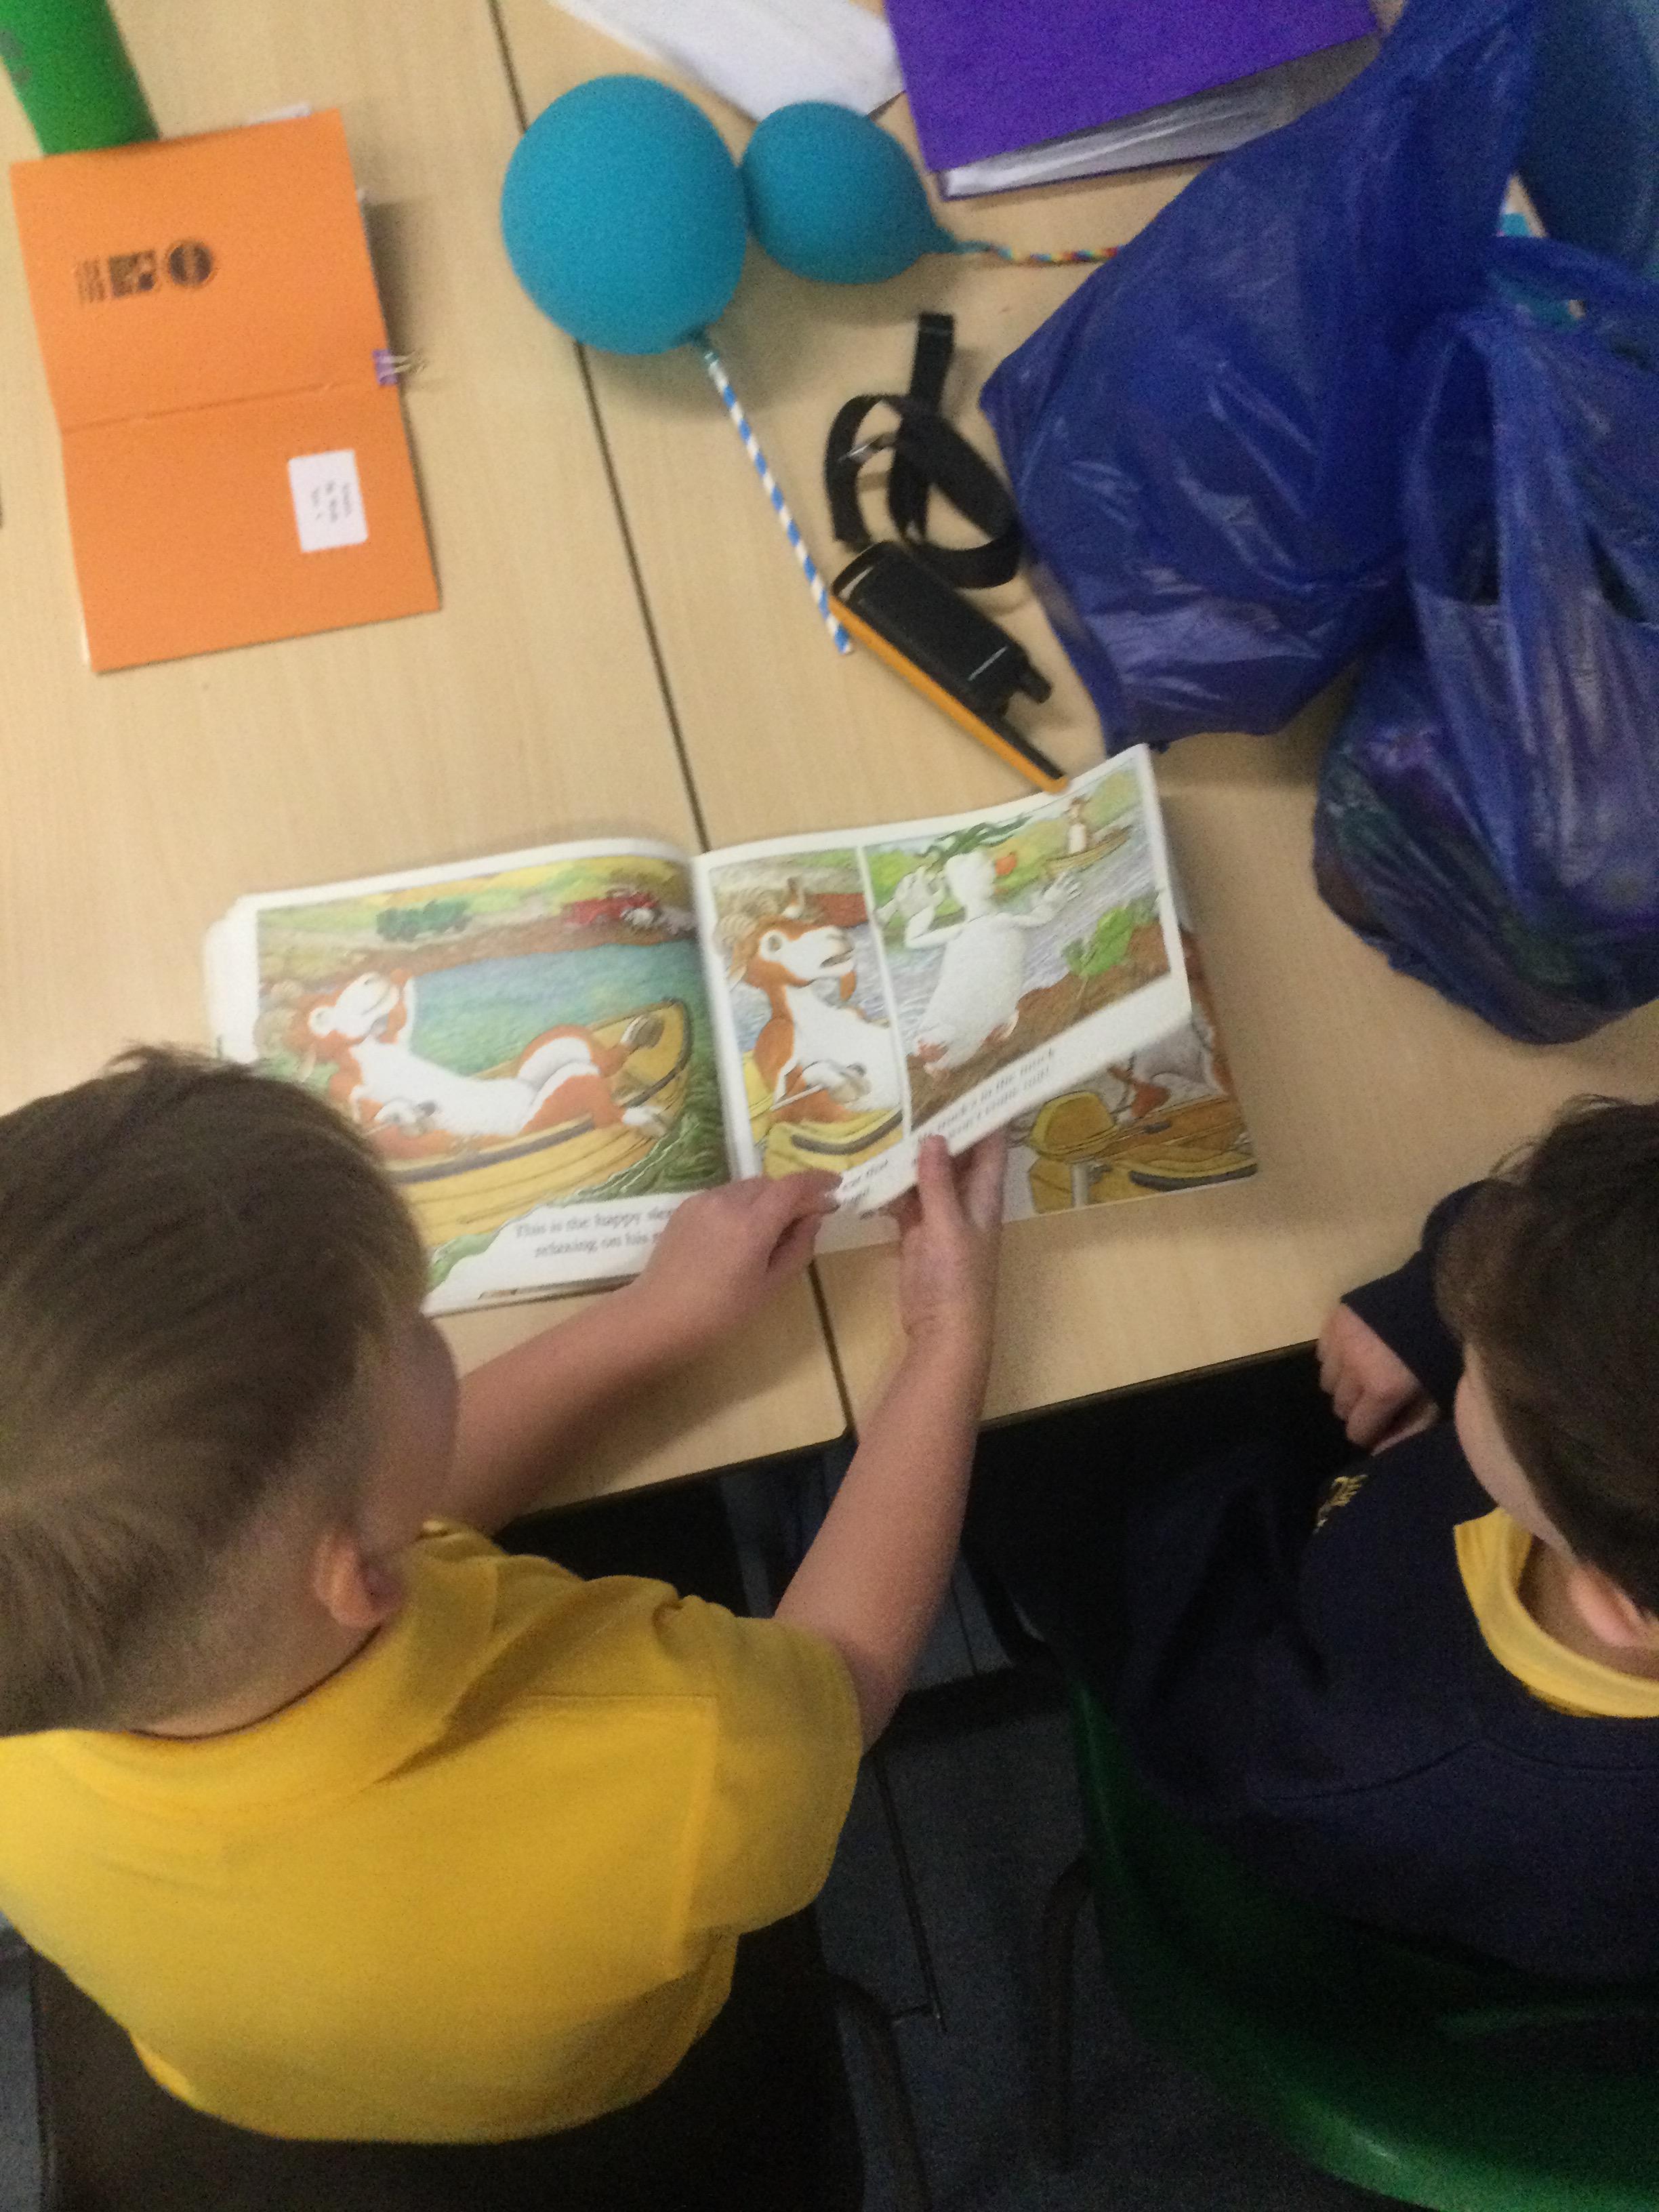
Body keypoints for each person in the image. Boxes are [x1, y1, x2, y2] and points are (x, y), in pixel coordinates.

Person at [0, 1048, 1006, 2144]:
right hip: (596, 2078)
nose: (429, 1326)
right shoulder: (679, 1746)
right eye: (414, 1325)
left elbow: (382, 1519)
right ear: (362, 1575)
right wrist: (945, 1341)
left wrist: (652, 1319)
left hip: (240, 2064)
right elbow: (846, 1677)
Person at [968, 1096, 1659, 1982]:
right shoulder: (1613, 1513)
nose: (1471, 1317)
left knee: (1004, 1425)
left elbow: (1186, 1684)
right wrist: (1422, 1313)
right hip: (1338, 1511)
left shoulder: (1373, 1755)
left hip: (1223, 1616)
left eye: (1483, 1354)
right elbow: (1569, 1232)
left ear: (1607, 1599)